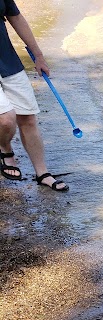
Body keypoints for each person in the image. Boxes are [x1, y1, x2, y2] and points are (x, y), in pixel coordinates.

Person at [0, 0, 67, 191]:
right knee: (5, 120)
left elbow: (16, 17)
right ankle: (5, 149)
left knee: (28, 118)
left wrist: (38, 55)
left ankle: (42, 172)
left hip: (8, 61)